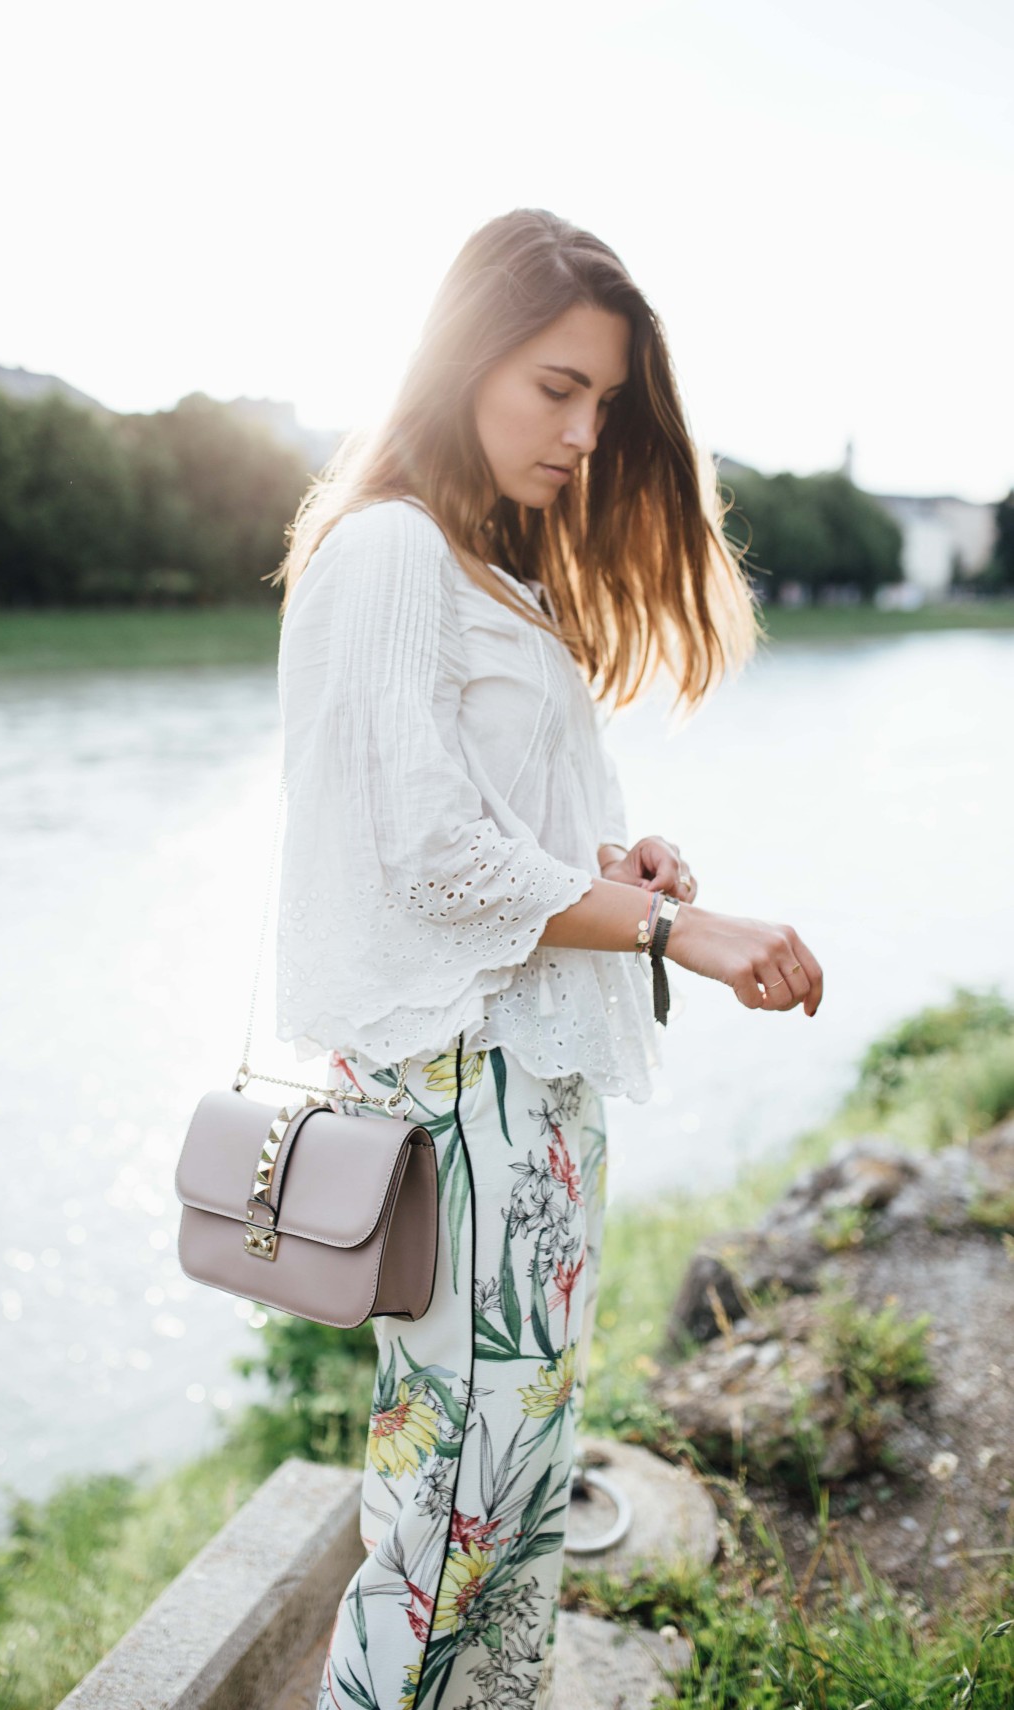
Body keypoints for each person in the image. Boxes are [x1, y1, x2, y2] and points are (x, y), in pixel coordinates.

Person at [270, 207, 823, 1710]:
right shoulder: (389, 548)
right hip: (459, 1103)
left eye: (605, 402)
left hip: (535, 1099)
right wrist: (678, 928)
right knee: (445, 1523)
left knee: (517, 1517)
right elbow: (424, 849)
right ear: (462, 363)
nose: (585, 431)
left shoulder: (489, 573)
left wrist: (610, 870)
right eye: (556, 386)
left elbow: (490, 837)